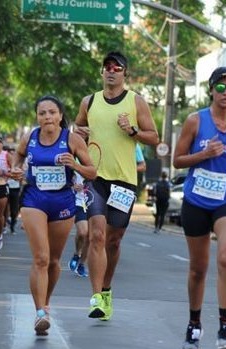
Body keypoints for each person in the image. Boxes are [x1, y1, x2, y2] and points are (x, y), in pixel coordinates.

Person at [74, 51, 159, 321]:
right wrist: (78, 131)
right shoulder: (89, 102)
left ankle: (107, 289)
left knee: (113, 240)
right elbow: (77, 129)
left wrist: (132, 130)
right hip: (95, 177)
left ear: (125, 73)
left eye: (117, 67)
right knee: (96, 235)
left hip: (124, 181)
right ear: (101, 72)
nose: (111, 71)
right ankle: (97, 297)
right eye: (107, 67)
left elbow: (154, 138)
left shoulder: (137, 102)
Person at [173, 66, 226, 349]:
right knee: (198, 268)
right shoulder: (195, 121)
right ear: (211, 89)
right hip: (196, 200)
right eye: (222, 87)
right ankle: (194, 324)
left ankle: (225, 324)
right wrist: (203, 154)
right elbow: (177, 161)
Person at [10, 95, 96, 336]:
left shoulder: (73, 139)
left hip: (63, 202)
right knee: (41, 258)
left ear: (60, 116)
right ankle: (39, 313)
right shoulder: (30, 137)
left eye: (51, 112)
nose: (47, 117)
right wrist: (17, 169)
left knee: (54, 261)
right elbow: (18, 155)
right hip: (34, 199)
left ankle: (45, 302)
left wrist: (75, 165)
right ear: (37, 116)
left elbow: (93, 172)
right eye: (42, 113)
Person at [67, 170, 89, 278]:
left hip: (94, 202)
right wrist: (72, 188)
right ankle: (77, 253)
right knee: (83, 232)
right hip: (79, 202)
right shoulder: (75, 160)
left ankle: (82, 264)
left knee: (90, 235)